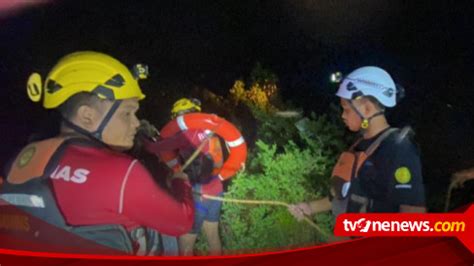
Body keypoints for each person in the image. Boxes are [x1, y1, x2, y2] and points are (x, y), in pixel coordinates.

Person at [0, 51, 194, 255]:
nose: (136, 123)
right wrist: (181, 182)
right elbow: (182, 222)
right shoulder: (123, 172)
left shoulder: (22, 158)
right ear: (87, 116)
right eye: (127, 113)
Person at [288, 66, 426, 222]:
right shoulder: (359, 146)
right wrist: (308, 208)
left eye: (346, 109)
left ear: (367, 109)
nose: (342, 115)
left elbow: (413, 215)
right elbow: (341, 196)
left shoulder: (398, 149)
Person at [167, 98, 225, 256]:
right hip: (215, 189)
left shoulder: (186, 135)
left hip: (197, 193)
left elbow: (163, 153)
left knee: (185, 246)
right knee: (213, 237)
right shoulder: (209, 132)